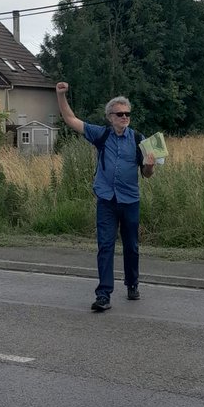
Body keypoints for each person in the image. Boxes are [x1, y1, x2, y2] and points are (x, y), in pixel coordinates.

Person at [55, 82, 155, 312]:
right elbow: (71, 119)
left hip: (130, 201)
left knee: (131, 246)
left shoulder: (140, 139)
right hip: (107, 200)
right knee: (105, 246)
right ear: (110, 117)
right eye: (120, 114)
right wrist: (60, 95)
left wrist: (149, 166)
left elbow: (147, 174)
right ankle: (103, 295)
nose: (124, 117)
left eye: (127, 114)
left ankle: (132, 284)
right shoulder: (101, 135)